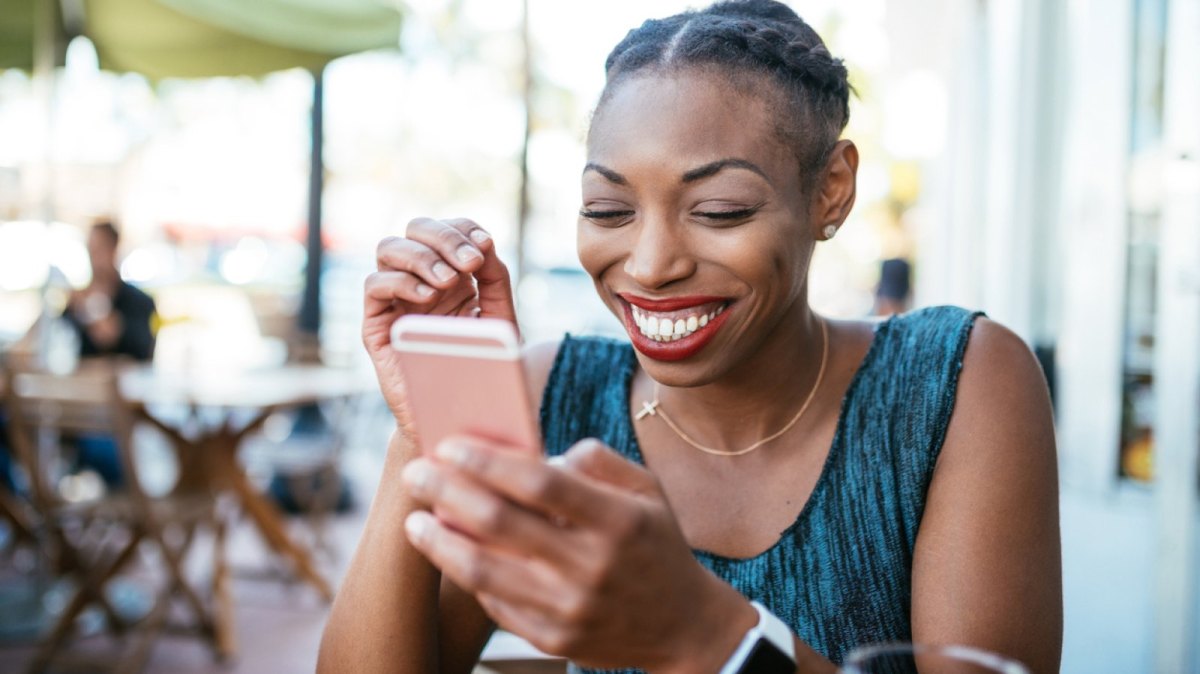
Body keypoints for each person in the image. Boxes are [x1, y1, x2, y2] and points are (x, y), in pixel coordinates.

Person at [319, 2, 1062, 672]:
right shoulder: (553, 398)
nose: (650, 264)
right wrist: (422, 433)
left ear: (829, 191)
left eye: (721, 209)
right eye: (608, 210)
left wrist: (707, 636)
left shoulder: (954, 383)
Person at [64, 221, 157, 362]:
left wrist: (103, 320)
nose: (95, 258)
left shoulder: (140, 302)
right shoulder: (75, 302)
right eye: (91, 250)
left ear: (114, 248)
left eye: (100, 250)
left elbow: (143, 349)